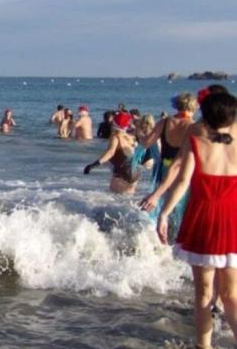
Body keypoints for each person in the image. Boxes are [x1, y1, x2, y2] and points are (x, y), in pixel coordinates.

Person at [156, 92, 237, 349]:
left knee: (203, 295)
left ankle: (204, 347)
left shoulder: (195, 141)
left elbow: (182, 182)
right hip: (233, 220)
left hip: (203, 219)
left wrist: (165, 213)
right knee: (232, 295)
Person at [138, 92, 198, 233]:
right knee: (180, 208)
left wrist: (138, 133)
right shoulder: (193, 126)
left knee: (164, 204)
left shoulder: (164, 122)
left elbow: (146, 143)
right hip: (185, 171)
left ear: (176, 105)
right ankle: (174, 241)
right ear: (194, 107)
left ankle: (157, 236)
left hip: (164, 168)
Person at [83, 112, 141, 194]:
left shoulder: (116, 137)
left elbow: (110, 153)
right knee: (128, 200)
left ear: (114, 123)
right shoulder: (130, 137)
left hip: (122, 172)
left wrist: (93, 165)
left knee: (114, 197)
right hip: (135, 171)